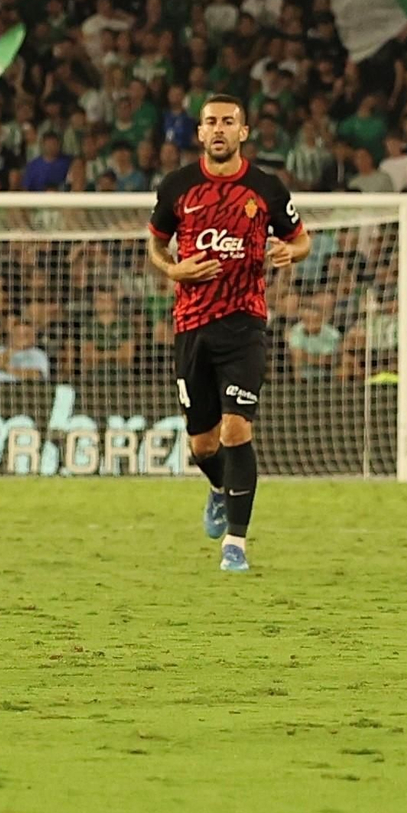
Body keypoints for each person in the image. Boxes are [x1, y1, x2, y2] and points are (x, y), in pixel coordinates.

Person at [147, 94, 311, 572]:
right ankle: (218, 489)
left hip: (244, 324)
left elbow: (301, 239)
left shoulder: (266, 188)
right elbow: (156, 246)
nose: (219, 129)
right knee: (203, 444)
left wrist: (289, 254)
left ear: (244, 132)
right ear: (199, 133)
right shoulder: (177, 186)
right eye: (211, 122)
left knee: (236, 429)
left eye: (229, 122)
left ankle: (235, 544)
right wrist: (173, 272)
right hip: (192, 326)